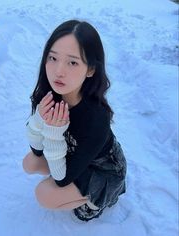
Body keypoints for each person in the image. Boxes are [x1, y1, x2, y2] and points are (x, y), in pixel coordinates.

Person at [23, 19, 127, 222]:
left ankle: (97, 200)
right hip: (74, 156)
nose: (58, 71)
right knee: (30, 163)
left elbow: (61, 180)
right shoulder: (47, 96)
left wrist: (53, 133)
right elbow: (37, 150)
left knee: (46, 194)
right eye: (52, 58)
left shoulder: (96, 119)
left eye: (72, 62)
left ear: (90, 69)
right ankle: (75, 180)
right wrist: (38, 120)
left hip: (105, 169)